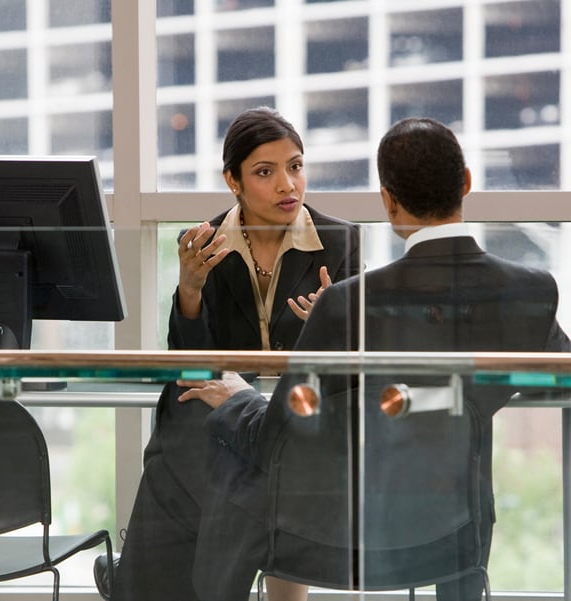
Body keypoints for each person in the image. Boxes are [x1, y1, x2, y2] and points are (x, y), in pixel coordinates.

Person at [179, 117, 571, 601]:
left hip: (344, 537)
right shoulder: (531, 290)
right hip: (453, 535)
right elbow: (563, 377)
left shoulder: (349, 303)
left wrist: (240, 396)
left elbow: (273, 440)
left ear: (388, 201)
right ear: (467, 183)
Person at [106, 107, 361, 601]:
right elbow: (189, 363)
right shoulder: (204, 245)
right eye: (265, 172)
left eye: (296, 165)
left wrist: (325, 327)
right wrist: (190, 289)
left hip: (298, 414)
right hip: (224, 410)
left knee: (230, 466)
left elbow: (348, 368)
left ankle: (168, 580)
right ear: (234, 180)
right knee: (179, 442)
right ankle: (159, 582)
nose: (288, 184)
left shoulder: (340, 242)